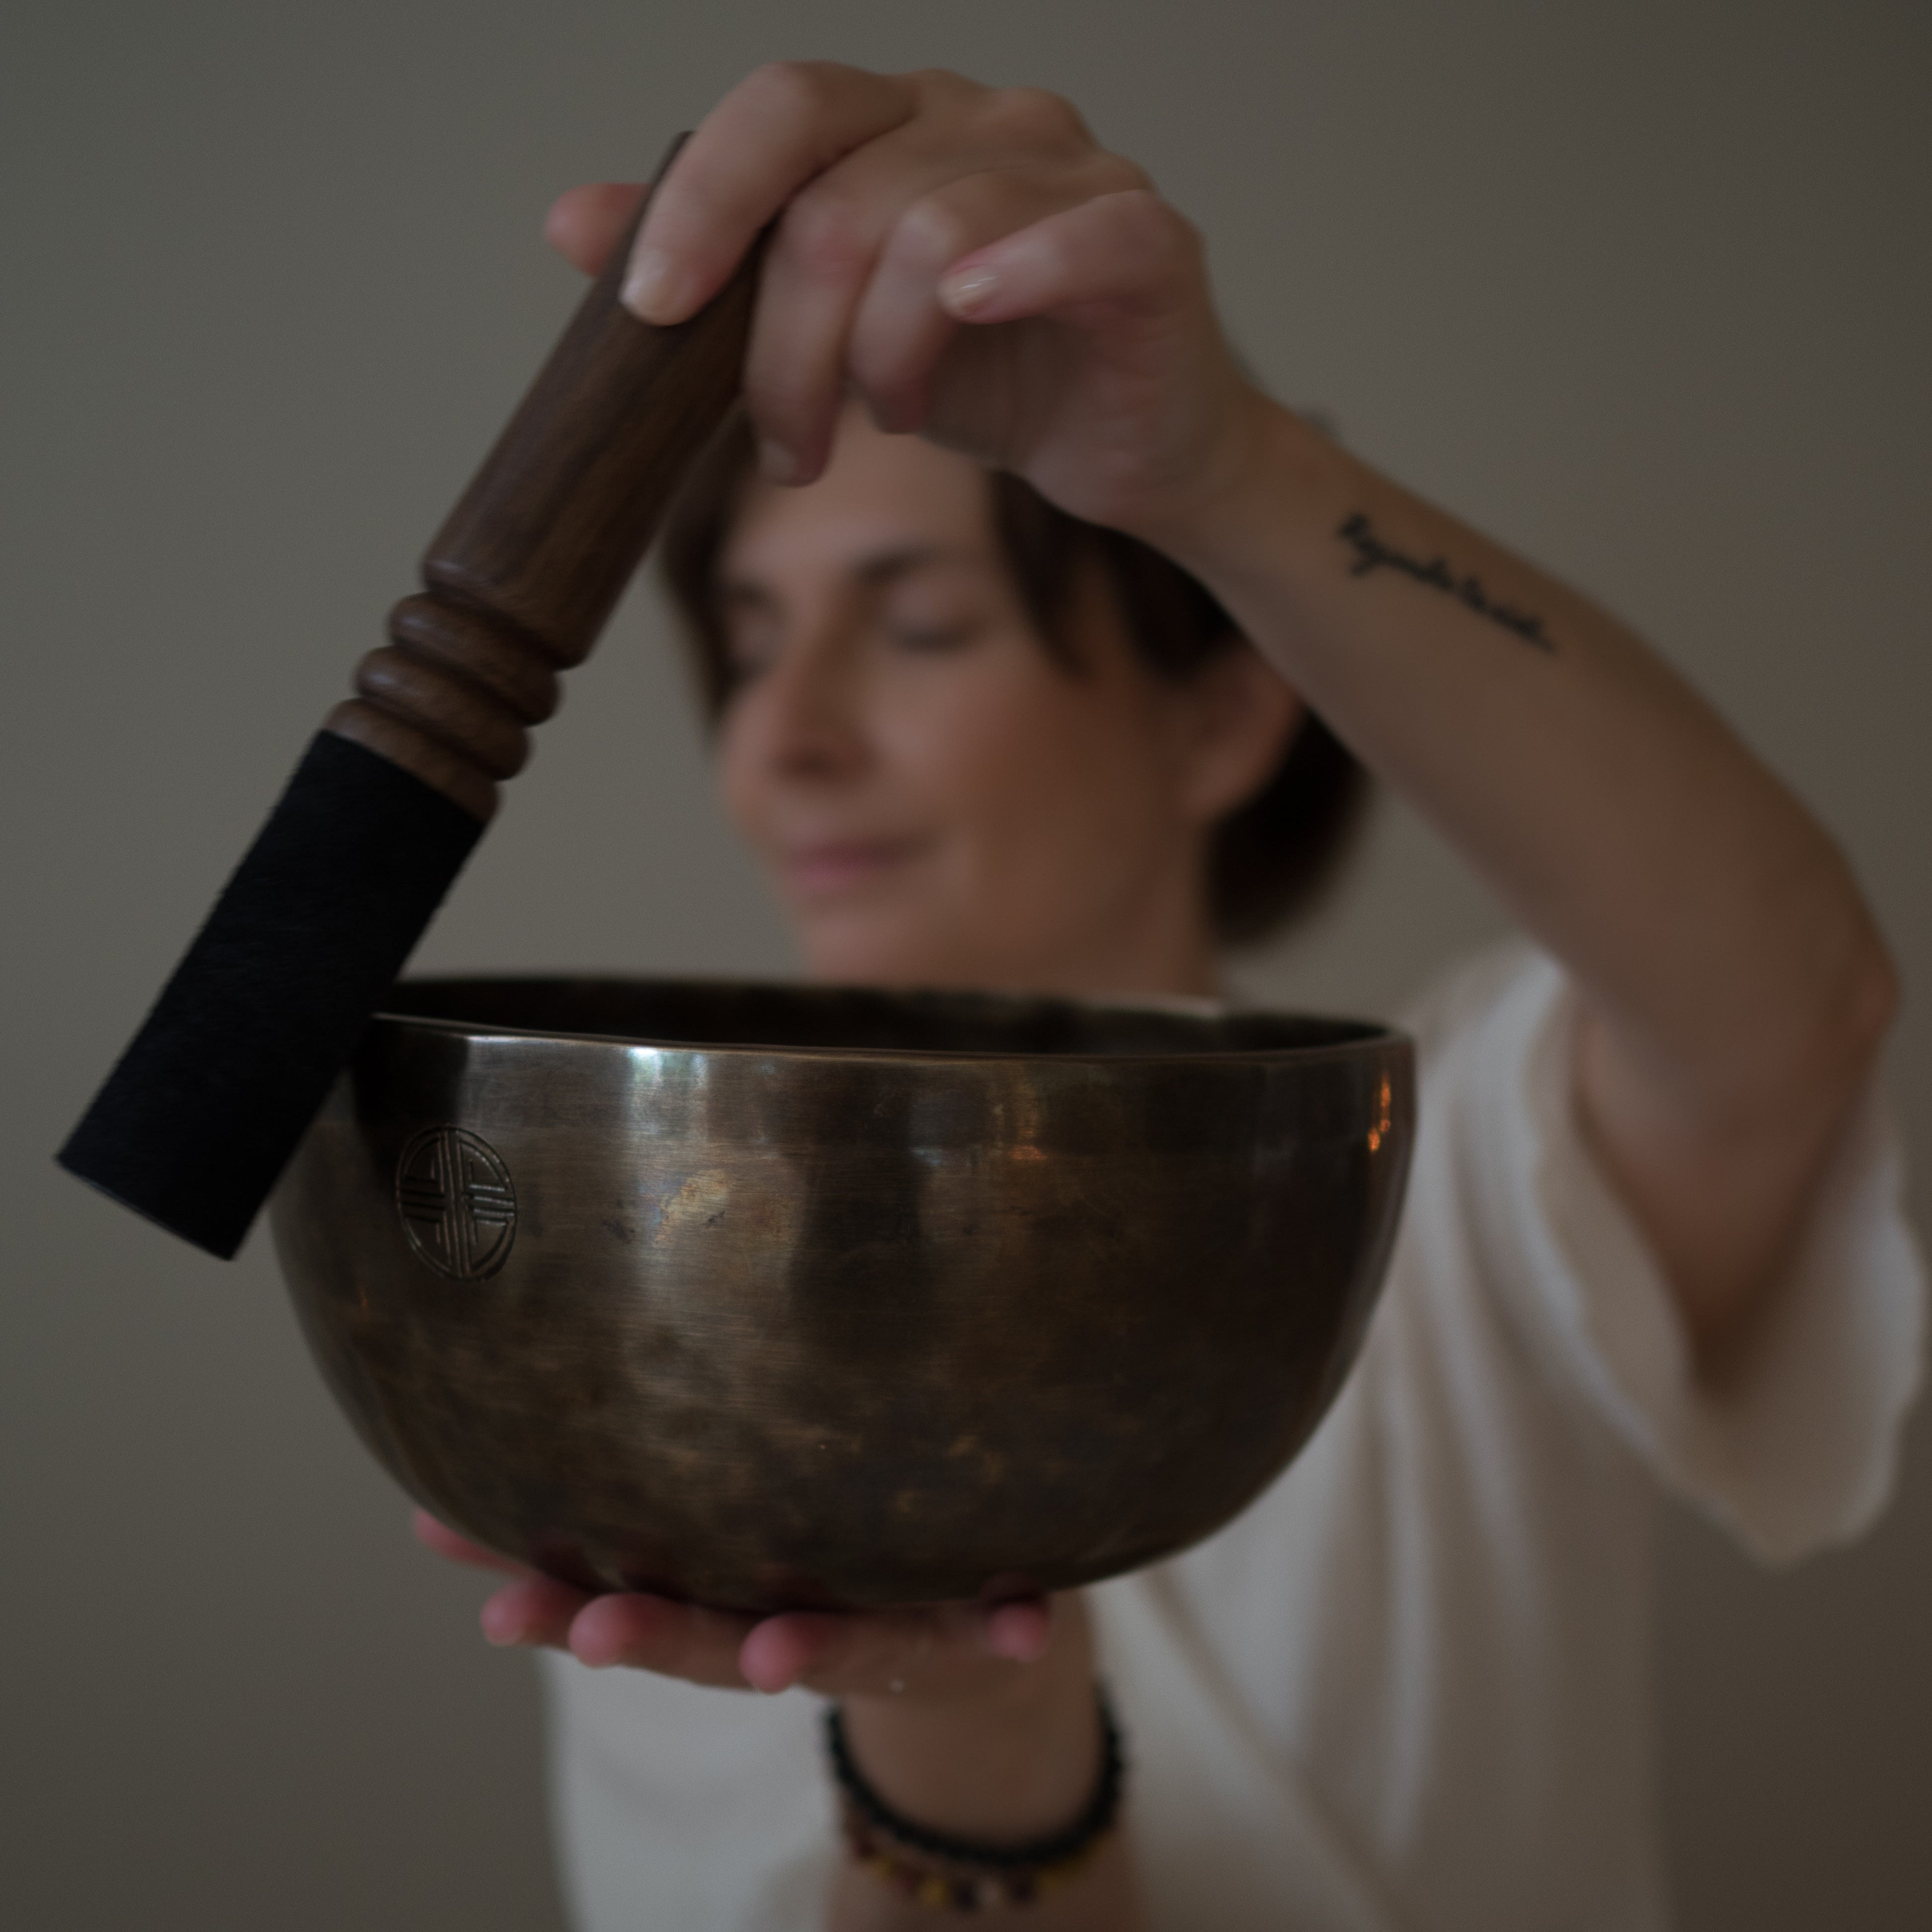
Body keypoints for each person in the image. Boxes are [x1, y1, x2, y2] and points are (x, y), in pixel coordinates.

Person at [413, 62, 1925, 1931]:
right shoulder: (657, 1329)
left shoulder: (1455, 1170)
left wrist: (1221, 470)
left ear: (1217, 709)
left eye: (917, 623)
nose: (782, 744)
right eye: (747, 645)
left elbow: (1795, 1002)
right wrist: (973, 1757)